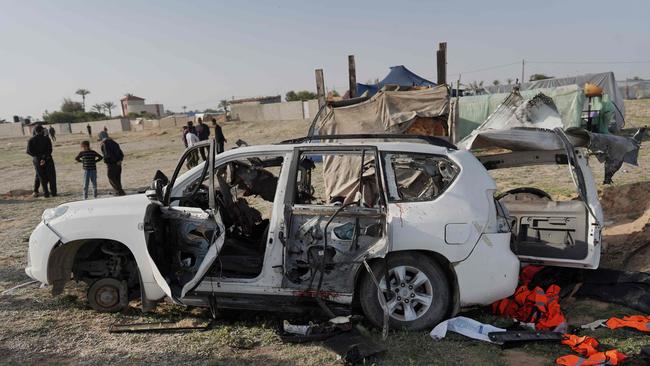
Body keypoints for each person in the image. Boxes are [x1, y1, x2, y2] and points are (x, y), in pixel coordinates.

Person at [26, 125, 57, 197]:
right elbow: (50, 150)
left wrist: (38, 157)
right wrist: (44, 157)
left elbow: (28, 151)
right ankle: (54, 192)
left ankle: (46, 193)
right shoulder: (46, 139)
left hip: (37, 160)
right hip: (48, 159)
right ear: (42, 130)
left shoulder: (31, 140)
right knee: (51, 176)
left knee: (41, 177)